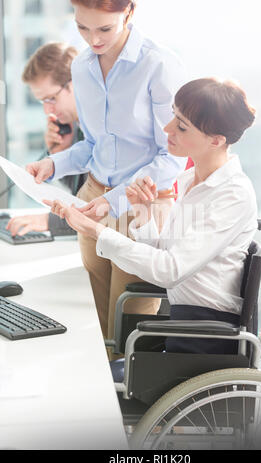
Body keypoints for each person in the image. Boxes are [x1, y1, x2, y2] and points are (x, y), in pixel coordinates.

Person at [45, 77, 258, 356]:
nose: (167, 128)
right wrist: (142, 212)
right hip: (181, 321)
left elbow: (168, 270)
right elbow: (165, 255)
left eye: (181, 126)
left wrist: (96, 230)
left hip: (204, 334)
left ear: (216, 141)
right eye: (173, 116)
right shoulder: (190, 180)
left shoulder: (233, 195)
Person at [25, 0, 188, 344]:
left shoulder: (158, 65)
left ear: (129, 12)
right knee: (96, 327)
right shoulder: (82, 67)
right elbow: (93, 146)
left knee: (126, 330)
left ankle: (121, 399)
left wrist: (113, 202)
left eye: (104, 29)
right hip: (91, 200)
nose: (93, 40)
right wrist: (54, 164)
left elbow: (172, 155)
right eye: (83, 27)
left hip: (142, 206)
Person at [6, 42, 86, 238]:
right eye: (42, 102)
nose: (47, 110)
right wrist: (60, 153)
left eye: (51, 98)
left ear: (74, 83)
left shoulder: (103, 127)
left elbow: (106, 211)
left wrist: (48, 221)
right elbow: (80, 193)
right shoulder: (75, 128)